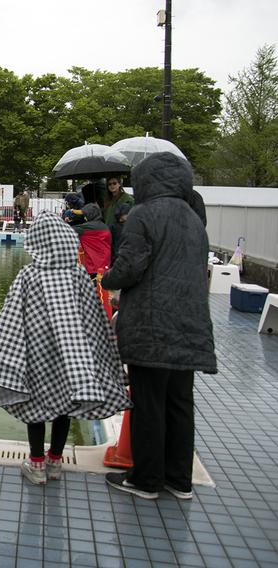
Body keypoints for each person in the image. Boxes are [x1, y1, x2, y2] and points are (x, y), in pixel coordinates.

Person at [0, 211, 131, 485]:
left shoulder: (29, 275)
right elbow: (92, 317)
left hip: (37, 354)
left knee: (36, 407)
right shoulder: (78, 273)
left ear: (36, 243)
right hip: (71, 356)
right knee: (63, 406)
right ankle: (55, 461)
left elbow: (11, 317)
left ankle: (36, 464)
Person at [101, 153, 216, 501]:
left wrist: (108, 278)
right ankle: (178, 480)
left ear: (148, 180)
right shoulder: (194, 219)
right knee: (180, 402)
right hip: (191, 324)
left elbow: (130, 268)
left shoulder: (144, 214)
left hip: (152, 326)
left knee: (149, 403)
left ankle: (147, 480)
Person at [71, 203, 111, 277]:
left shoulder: (87, 227)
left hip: (93, 266)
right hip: (105, 263)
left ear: (89, 215)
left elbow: (68, 229)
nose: (84, 217)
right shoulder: (105, 226)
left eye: (85, 215)